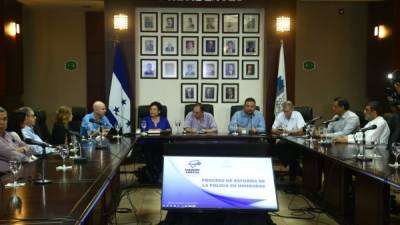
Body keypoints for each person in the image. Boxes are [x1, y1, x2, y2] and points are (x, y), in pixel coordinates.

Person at [271, 101, 306, 181]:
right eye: (284, 111)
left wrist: (290, 132)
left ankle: (294, 168)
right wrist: (280, 131)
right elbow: (273, 129)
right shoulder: (280, 115)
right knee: (278, 147)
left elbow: (302, 131)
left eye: (288, 111)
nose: (286, 113)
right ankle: (295, 167)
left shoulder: (297, 115)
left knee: (292, 151)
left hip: (295, 142)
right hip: (282, 141)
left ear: (292, 109)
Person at [138, 102, 171, 184]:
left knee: (161, 154)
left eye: (154, 109)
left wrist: (164, 130)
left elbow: (169, 130)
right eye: (150, 109)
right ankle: (151, 178)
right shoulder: (145, 119)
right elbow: (142, 131)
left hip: (161, 144)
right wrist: (155, 130)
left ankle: (159, 177)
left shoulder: (164, 119)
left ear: (159, 111)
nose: (151, 111)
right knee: (150, 155)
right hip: (148, 143)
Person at [0, 106, 33, 172]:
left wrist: (20, 150)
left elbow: (30, 149)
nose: (2, 122)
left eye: (4, 119)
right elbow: (15, 156)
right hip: (4, 176)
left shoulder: (11, 135)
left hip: (18, 172)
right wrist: (17, 151)